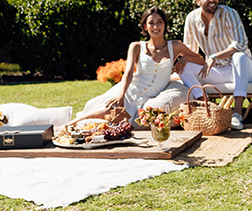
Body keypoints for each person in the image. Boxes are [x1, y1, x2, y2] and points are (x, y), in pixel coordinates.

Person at [68, 7, 205, 125]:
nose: (156, 27)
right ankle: (70, 125)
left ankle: (74, 124)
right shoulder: (137, 46)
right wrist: (121, 95)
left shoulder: (175, 46)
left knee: (115, 118)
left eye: (159, 22)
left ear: (165, 25)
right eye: (151, 23)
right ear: (145, 26)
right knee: (110, 109)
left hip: (149, 96)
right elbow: (128, 73)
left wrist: (185, 57)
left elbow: (200, 60)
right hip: (130, 89)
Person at [174, 0, 252, 130]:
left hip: (243, 69)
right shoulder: (191, 19)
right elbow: (190, 50)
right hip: (217, 71)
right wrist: (185, 57)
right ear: (198, 1)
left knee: (238, 56)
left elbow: (240, 44)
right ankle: (208, 108)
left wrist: (214, 56)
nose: (212, 0)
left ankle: (237, 113)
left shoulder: (230, 13)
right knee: (183, 67)